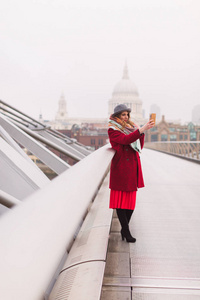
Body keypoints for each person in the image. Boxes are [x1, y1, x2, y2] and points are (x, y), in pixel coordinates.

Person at [108, 104, 154, 243]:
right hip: (121, 167)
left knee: (130, 202)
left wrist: (141, 132)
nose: (126, 117)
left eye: (127, 114)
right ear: (116, 116)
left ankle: (124, 229)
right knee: (120, 203)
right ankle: (126, 231)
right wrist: (141, 130)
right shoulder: (113, 129)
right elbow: (125, 140)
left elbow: (139, 145)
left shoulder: (131, 127)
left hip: (132, 165)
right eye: (123, 115)